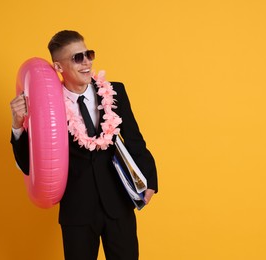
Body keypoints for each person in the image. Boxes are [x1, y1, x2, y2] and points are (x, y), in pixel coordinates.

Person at [10, 30, 158, 260]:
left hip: (118, 206)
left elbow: (135, 141)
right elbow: (30, 165)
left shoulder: (115, 91)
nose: (87, 62)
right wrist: (17, 125)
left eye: (88, 54)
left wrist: (150, 181)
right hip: (77, 213)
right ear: (58, 67)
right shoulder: (48, 105)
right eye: (77, 58)